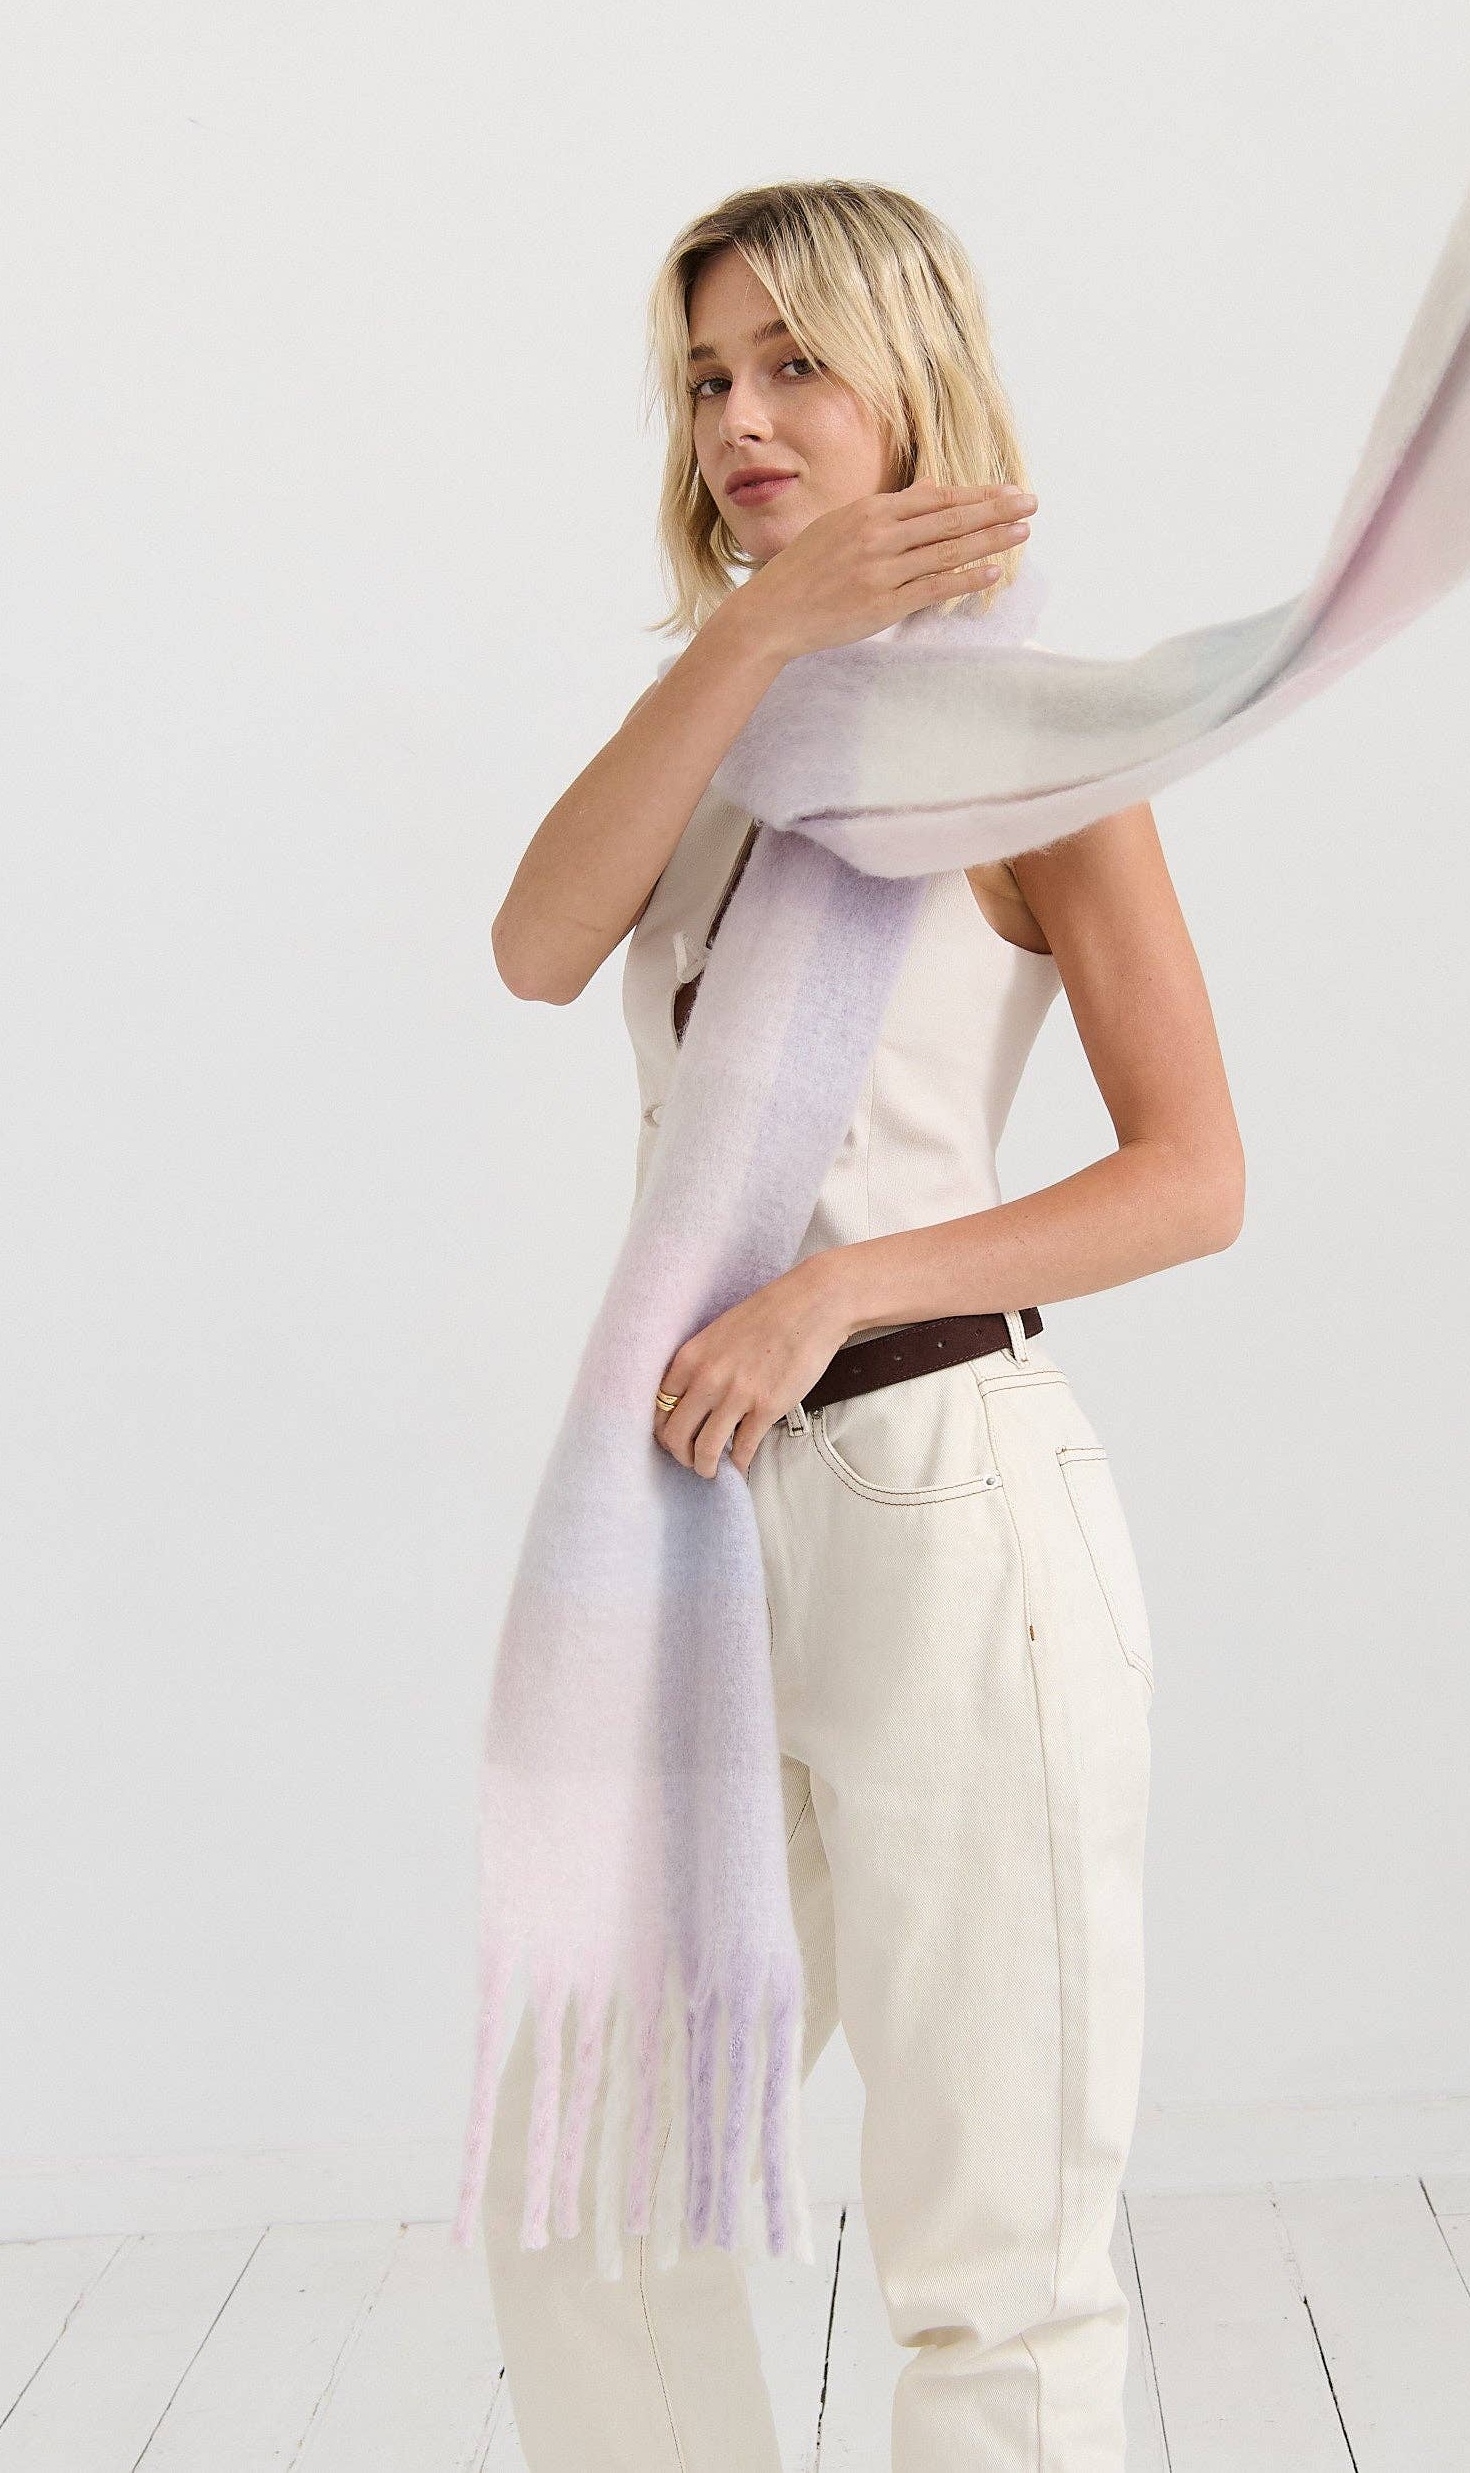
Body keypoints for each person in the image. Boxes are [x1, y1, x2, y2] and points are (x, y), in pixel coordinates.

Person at [478, 178, 1244, 2473]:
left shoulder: (1029, 741)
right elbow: (534, 944)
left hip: (948, 1512)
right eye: (706, 376)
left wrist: (834, 1287)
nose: (739, 416)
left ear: (911, 378)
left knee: (990, 2245)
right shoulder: (728, 742)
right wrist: (751, 637)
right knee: (589, 2200)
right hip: (703, 1539)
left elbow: (1190, 1171)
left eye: (793, 362)